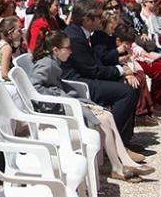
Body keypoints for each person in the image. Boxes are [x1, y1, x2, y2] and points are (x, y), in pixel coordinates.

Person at [30, 30, 152, 181]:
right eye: (68, 48)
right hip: (59, 108)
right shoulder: (46, 64)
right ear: (56, 50)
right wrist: (59, 96)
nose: (71, 51)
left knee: (107, 116)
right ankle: (117, 167)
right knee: (104, 119)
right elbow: (34, 87)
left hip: (66, 103)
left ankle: (124, 162)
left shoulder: (52, 62)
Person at [59, 0, 140, 147]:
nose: (101, 20)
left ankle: (125, 139)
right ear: (87, 20)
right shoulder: (75, 38)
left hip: (86, 76)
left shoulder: (81, 34)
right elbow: (93, 70)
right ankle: (115, 144)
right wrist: (121, 70)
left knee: (133, 85)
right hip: (78, 83)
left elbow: (95, 64)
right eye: (98, 17)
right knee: (126, 92)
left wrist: (122, 71)